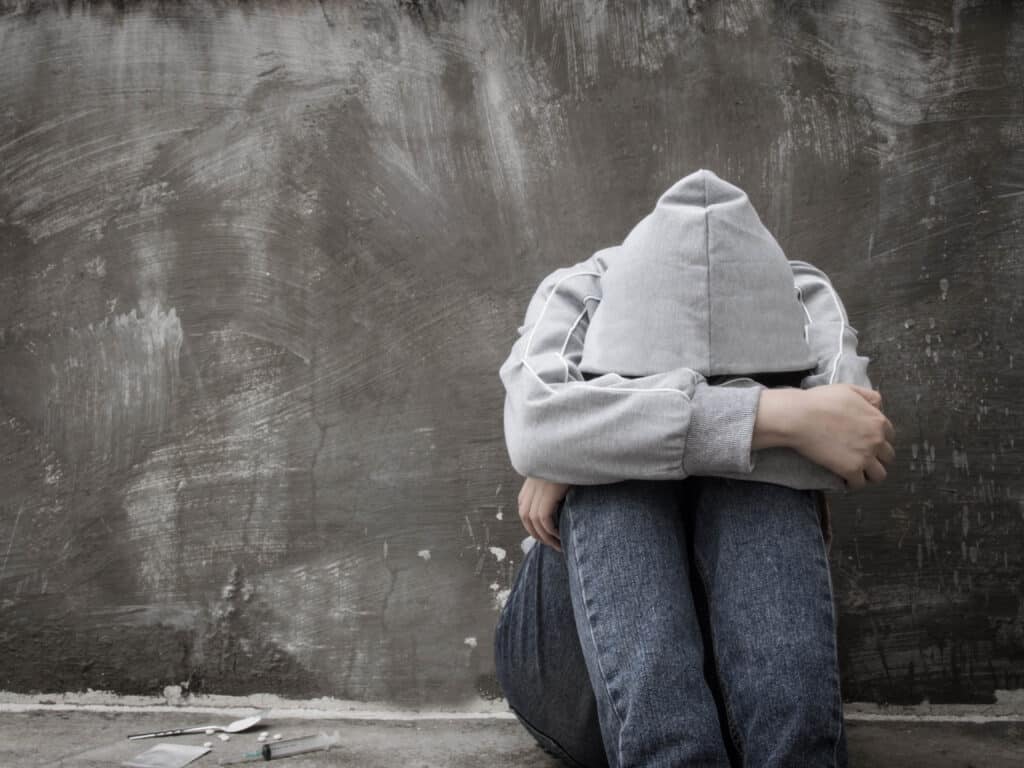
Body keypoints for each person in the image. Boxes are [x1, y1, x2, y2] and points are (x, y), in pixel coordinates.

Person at [492, 170, 895, 768]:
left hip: (746, 706)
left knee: (751, 487)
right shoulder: (580, 288)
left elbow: (856, 445)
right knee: (618, 491)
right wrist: (783, 410)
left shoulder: (802, 291)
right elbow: (533, 426)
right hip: (578, 690)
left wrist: (595, 431)